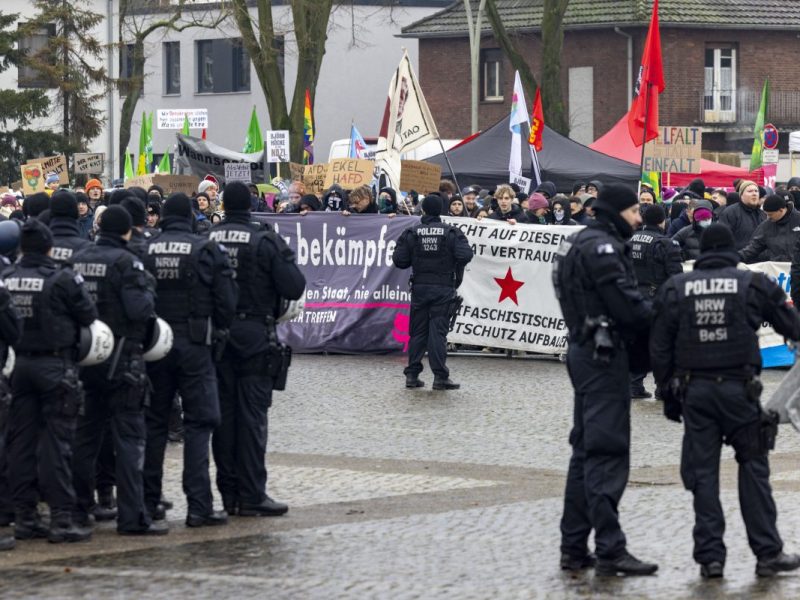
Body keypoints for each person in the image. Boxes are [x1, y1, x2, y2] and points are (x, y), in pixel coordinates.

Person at [650, 223, 800, 579]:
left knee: (702, 475)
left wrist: (667, 394)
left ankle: (710, 559)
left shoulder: (676, 288)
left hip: (696, 392)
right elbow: (792, 326)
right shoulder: (752, 283)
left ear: (702, 251)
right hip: (739, 392)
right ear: (733, 249)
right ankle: (768, 553)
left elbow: (658, 346)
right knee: (753, 467)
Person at [552, 183, 657, 576]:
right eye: (633, 212)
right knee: (605, 452)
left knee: (584, 453)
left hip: (585, 350)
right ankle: (611, 549)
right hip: (603, 355)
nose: (638, 218)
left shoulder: (578, 243)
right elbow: (627, 307)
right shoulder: (603, 248)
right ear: (616, 212)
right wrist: (664, 316)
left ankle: (574, 547)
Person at [208, 182, 305, 517]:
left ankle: (229, 495)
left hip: (216, 335)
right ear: (250, 205)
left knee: (223, 418)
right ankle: (252, 494)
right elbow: (294, 284)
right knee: (252, 418)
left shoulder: (208, 238)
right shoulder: (265, 240)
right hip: (253, 334)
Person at [142, 194, 238, 527]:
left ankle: (148, 502)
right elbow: (227, 301)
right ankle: (199, 506)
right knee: (199, 423)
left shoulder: (146, 249)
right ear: (191, 215)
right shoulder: (206, 249)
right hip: (196, 344)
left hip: (155, 344)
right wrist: (219, 332)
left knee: (154, 423)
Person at [69, 206, 164, 536]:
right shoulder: (127, 262)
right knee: (128, 440)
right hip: (123, 359)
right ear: (127, 231)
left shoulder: (79, 258)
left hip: (86, 359)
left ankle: (79, 511)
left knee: (85, 439)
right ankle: (132, 516)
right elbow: (140, 310)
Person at [4, 219, 97, 543]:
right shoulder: (61, 278)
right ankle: (61, 518)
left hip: (20, 366)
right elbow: (88, 315)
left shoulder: (7, 278)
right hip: (56, 366)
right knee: (58, 444)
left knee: (21, 444)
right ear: (47, 247)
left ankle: (25, 517)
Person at [392, 193, 473, 390]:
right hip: (443, 288)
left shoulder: (412, 232)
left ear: (424, 210)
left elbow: (400, 261)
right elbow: (466, 255)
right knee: (437, 333)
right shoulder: (451, 232)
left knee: (418, 332)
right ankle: (440, 377)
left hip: (420, 287)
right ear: (442, 210)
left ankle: (412, 375)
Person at [627, 205, 682, 399]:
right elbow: (676, 277)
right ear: (662, 221)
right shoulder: (666, 243)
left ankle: (634, 386)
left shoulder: (630, 240)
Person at [740, 194, 800, 263]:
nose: (768, 217)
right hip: (777, 270)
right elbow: (754, 247)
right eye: (767, 214)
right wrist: (735, 258)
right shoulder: (766, 226)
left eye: (770, 214)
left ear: (781, 210)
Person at [718, 180, 766, 250]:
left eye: (756, 191)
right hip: (738, 258)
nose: (754, 194)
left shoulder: (763, 214)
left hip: (761, 259)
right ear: (741, 195)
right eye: (750, 191)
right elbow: (723, 238)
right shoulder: (730, 212)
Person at [49, 190, 92, 264]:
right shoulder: (87, 248)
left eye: (84, 204)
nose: (81, 206)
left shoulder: (40, 247)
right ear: (75, 212)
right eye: (78, 204)